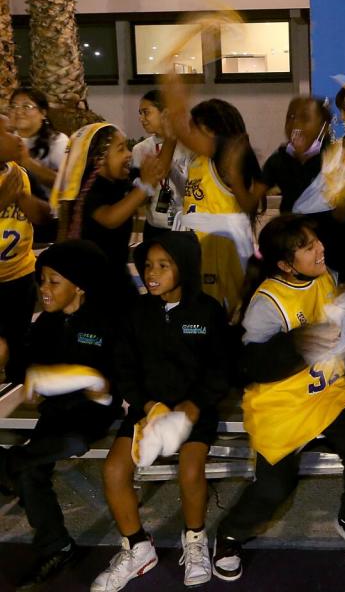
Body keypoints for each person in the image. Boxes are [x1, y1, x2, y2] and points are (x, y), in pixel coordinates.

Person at [211, 215, 345, 582]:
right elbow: (251, 365)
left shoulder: (324, 275)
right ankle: (231, 532)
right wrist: (296, 342)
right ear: (285, 265)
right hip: (281, 404)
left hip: (326, 392)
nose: (320, 249)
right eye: (308, 247)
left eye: (316, 241)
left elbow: (335, 316)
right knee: (275, 487)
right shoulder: (266, 303)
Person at [93, 231, 232, 591]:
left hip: (193, 412)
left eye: (163, 266)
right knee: (113, 470)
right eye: (147, 266)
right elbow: (123, 368)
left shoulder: (207, 311)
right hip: (148, 411)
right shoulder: (135, 313)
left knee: (190, 470)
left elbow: (222, 369)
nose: (151, 273)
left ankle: (196, 540)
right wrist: (147, 405)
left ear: (183, 268)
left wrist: (195, 405)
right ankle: (138, 547)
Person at [0, 241, 121, 589]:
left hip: (91, 418)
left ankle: (5, 468)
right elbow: (27, 375)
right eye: (41, 281)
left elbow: (106, 385)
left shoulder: (104, 323)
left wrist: (84, 382)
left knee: (67, 442)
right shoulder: (45, 326)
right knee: (28, 471)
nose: (44, 289)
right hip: (53, 418)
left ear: (79, 285)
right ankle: (57, 547)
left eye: (54, 282)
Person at [170, 99, 266, 316]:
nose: (189, 135)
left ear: (215, 133)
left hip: (222, 252)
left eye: (195, 129)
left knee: (222, 313)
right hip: (195, 248)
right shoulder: (197, 161)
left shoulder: (225, 162)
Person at [63, 123, 170, 299]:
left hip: (118, 273)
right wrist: (145, 186)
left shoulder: (121, 180)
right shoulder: (89, 189)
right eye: (121, 149)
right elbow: (110, 218)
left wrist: (171, 138)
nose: (129, 154)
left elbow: (159, 171)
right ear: (99, 160)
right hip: (93, 280)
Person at [0, 116, 50, 384]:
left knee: (20, 346)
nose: (17, 136)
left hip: (20, 274)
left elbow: (43, 219)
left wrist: (24, 199)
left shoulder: (19, 172)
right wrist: (5, 198)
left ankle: (16, 406)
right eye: (8, 132)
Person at [132, 90, 191, 242]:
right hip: (154, 226)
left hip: (184, 226)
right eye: (140, 113)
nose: (141, 119)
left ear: (165, 114)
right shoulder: (140, 149)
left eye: (146, 113)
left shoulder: (189, 147)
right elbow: (139, 195)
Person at [261, 96, 332, 213]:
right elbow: (252, 199)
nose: (295, 125)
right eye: (291, 117)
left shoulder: (334, 160)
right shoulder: (279, 160)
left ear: (323, 127)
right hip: (291, 228)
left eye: (305, 118)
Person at [8, 87, 68, 202]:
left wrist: (27, 163)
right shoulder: (6, 139)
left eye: (27, 106)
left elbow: (66, 185)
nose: (19, 112)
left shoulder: (58, 141)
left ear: (43, 113)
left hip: (47, 209)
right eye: (13, 106)